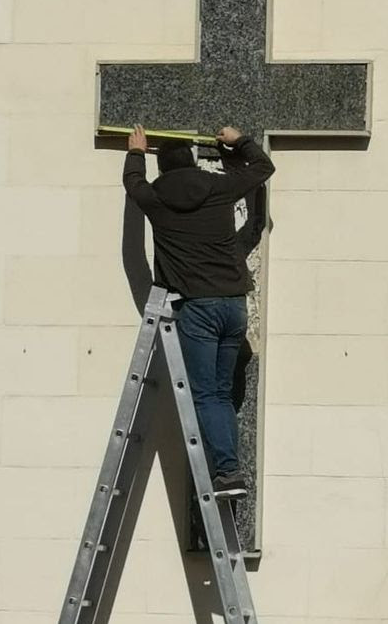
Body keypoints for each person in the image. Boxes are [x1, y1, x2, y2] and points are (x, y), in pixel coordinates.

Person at [122, 124, 276, 496]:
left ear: (163, 168)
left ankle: (227, 471)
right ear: (192, 161)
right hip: (234, 305)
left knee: (205, 394)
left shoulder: (156, 199)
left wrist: (136, 152)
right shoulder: (217, 188)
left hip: (198, 309)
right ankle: (229, 470)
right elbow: (262, 169)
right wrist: (238, 142)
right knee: (221, 394)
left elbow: (132, 183)